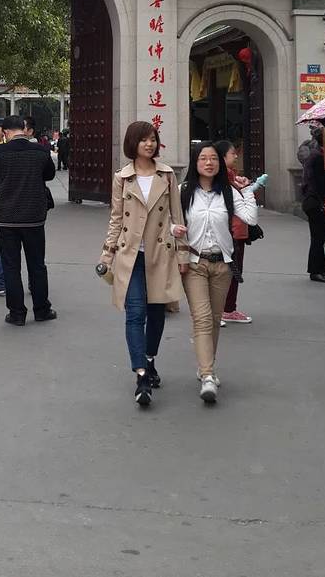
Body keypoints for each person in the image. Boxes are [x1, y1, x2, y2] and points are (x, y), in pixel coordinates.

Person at [96, 121, 188, 408]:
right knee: (135, 314)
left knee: (157, 312)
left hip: (161, 254)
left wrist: (183, 255)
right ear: (132, 143)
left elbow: (177, 216)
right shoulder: (122, 178)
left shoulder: (167, 175)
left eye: (153, 139)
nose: (149, 144)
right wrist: (107, 255)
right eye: (144, 139)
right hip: (131, 254)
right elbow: (116, 219)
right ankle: (141, 375)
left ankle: (149, 359)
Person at [179, 142, 258, 403]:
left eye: (213, 158)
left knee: (213, 320)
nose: (209, 162)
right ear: (195, 162)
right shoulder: (183, 191)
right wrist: (173, 229)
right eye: (203, 158)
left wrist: (246, 191)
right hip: (194, 263)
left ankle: (206, 366)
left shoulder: (228, 191)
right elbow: (168, 220)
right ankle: (208, 375)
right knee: (202, 318)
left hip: (222, 264)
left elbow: (250, 218)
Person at [0, 115, 56, 325]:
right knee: (37, 264)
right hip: (34, 216)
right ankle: (41, 310)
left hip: (6, 217)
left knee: (11, 265)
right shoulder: (40, 151)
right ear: (24, 128)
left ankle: (17, 314)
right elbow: (49, 175)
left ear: (5, 132)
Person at [215, 139, 252, 324]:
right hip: (232, 231)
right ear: (223, 157)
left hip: (235, 229)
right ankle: (225, 309)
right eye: (232, 153)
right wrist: (246, 190)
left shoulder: (232, 177)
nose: (236, 156)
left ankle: (224, 308)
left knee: (229, 271)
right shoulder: (224, 179)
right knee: (230, 272)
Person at [300, 129, 325, 283]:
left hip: (316, 201)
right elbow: (317, 183)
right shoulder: (317, 157)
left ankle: (322, 269)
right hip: (315, 203)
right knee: (318, 238)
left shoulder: (321, 155)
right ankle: (315, 271)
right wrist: (324, 202)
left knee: (320, 238)